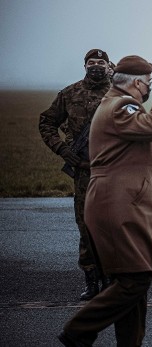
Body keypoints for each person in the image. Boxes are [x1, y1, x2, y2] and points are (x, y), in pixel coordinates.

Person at [58, 56, 152, 346]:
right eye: (149, 83)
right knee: (134, 281)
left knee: (133, 281)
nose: (150, 88)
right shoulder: (121, 106)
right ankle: (78, 331)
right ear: (137, 83)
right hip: (118, 206)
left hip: (121, 204)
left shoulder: (116, 104)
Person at [39, 48, 111, 300]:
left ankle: (112, 278)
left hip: (113, 173)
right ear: (85, 66)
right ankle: (91, 280)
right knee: (86, 225)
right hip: (83, 172)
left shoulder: (118, 95)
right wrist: (62, 149)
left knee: (112, 226)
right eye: (91, 62)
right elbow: (47, 122)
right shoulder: (69, 94)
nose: (96, 66)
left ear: (108, 65)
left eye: (101, 62)